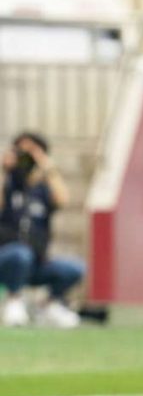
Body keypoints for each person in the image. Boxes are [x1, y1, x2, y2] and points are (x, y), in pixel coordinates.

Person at [0, 132, 85, 329]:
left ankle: (47, 306)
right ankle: (14, 300)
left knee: (74, 268)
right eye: (21, 152)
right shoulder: (8, 185)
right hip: (6, 258)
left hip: (36, 262)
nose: (25, 157)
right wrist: (5, 170)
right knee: (20, 254)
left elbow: (63, 200)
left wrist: (46, 167)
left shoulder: (43, 190)